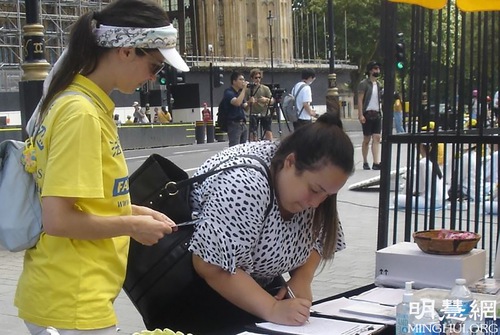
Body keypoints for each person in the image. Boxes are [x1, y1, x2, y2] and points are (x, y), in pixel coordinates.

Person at [14, 0, 190, 333]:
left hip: (71, 292)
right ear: (126, 50)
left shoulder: (83, 104)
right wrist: (132, 226)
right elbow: (59, 219)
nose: (153, 78)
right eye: (155, 66)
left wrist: (135, 211)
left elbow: (85, 201)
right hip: (73, 296)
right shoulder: (80, 113)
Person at [155, 113, 354, 334]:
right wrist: (273, 309)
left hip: (252, 291)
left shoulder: (311, 186)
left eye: (327, 195)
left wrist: (302, 278)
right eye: (314, 190)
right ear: (290, 162)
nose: (316, 203)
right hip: (197, 300)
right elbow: (210, 265)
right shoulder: (244, 185)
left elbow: (322, 235)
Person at [395, 143, 444, 211]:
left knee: (396, 198)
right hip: (440, 199)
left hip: (429, 200)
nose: (415, 146)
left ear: (421, 146)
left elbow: (420, 188)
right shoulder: (433, 161)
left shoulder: (423, 162)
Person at [358, 61, 383, 170]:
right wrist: (360, 114)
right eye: (375, 69)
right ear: (370, 71)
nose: (377, 71)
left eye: (378, 69)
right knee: (367, 139)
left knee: (377, 137)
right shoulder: (364, 84)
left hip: (377, 113)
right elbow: (360, 99)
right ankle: (365, 161)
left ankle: (376, 162)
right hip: (367, 114)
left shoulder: (379, 84)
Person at [245, 68, 274, 141]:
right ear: (252, 78)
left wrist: (266, 100)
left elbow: (272, 100)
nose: (258, 79)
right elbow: (244, 103)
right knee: (253, 132)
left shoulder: (265, 88)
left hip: (264, 112)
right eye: (256, 78)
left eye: (259, 77)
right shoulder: (248, 89)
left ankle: (270, 144)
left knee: (268, 130)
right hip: (254, 112)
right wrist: (249, 102)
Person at [222, 70, 249, 147]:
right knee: (234, 148)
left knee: (243, 148)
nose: (243, 81)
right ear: (234, 81)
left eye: (243, 79)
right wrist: (244, 90)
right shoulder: (228, 92)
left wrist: (250, 102)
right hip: (234, 124)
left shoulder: (240, 93)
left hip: (242, 123)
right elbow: (237, 103)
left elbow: (245, 107)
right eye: (240, 79)